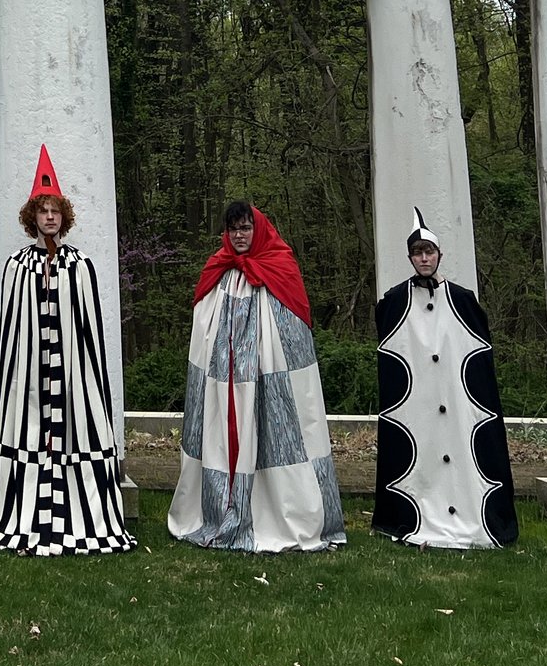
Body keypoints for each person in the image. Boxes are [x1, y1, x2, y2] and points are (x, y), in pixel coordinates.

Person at [0, 148, 134, 556]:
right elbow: (13, 330)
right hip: (29, 379)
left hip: (70, 375)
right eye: (43, 211)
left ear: (64, 217)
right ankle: (24, 512)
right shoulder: (17, 265)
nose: (49, 217)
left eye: (55, 211)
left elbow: (88, 331)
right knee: (31, 433)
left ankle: (78, 513)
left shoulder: (80, 266)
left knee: (71, 435)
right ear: (32, 217)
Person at [168, 200, 346, 553]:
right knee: (223, 439)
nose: (239, 235)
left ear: (258, 229)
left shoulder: (280, 266)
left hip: (271, 381)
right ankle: (220, 511)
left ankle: (277, 515)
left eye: (245, 228)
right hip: (225, 383)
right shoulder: (217, 269)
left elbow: (295, 333)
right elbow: (203, 328)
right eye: (233, 229)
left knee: (280, 438)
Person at [374, 209, 518, 549]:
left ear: (439, 255)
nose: (424, 258)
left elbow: (479, 357)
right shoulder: (395, 302)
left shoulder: (463, 300)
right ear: (410, 257)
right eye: (418, 252)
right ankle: (417, 514)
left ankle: (470, 512)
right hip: (418, 406)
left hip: (457, 404)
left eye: (430, 252)